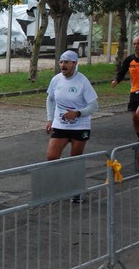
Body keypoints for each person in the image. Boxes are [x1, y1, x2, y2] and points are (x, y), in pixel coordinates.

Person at [45, 50, 99, 202]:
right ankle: (64, 183)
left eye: (66, 62)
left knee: (75, 159)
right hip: (60, 124)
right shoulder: (56, 80)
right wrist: (50, 119)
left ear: (74, 64)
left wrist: (78, 113)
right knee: (52, 157)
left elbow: (94, 107)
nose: (63, 65)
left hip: (80, 126)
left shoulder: (82, 81)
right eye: (61, 62)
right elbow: (50, 99)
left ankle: (77, 190)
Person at [111, 36, 139, 141]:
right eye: (135, 44)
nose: (136, 46)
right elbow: (122, 72)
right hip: (134, 92)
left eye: (138, 44)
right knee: (134, 118)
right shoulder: (129, 60)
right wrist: (116, 81)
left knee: (138, 114)